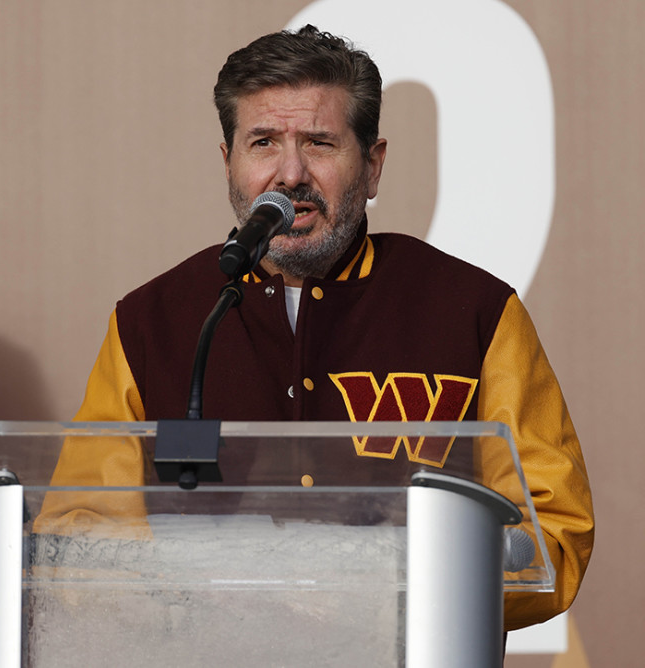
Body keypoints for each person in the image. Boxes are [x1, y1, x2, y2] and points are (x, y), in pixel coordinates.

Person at [55, 25, 593, 630]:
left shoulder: (474, 312)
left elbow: (554, 532)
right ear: (228, 162)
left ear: (372, 165)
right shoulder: (152, 322)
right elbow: (79, 534)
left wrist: (387, 582)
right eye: (262, 142)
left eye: (319, 143)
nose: (290, 174)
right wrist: (197, 588)